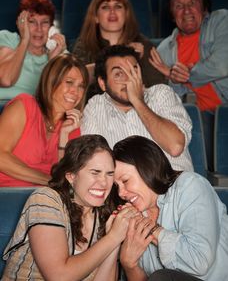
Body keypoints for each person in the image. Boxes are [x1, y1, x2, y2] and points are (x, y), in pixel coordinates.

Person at [2, 135, 138, 280]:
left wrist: (115, 239)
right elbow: (59, 276)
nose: (104, 183)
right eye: (95, 173)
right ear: (71, 176)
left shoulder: (103, 215)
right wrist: (112, 237)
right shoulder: (45, 199)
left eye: (109, 174)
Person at [113, 135, 228, 281]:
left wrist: (153, 230)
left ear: (147, 167)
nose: (120, 193)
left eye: (125, 181)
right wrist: (130, 265)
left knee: (161, 277)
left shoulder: (190, 185)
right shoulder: (135, 215)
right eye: (116, 186)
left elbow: (200, 261)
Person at [149, 0, 228, 171]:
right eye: (179, 6)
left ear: (204, 7)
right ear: (172, 14)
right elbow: (169, 97)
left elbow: (222, 65)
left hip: (224, 108)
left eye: (192, 3)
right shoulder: (164, 50)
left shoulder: (221, 20)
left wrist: (187, 75)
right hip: (192, 118)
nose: (186, 10)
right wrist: (175, 80)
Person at [81, 45, 193, 172]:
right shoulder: (96, 107)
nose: (128, 79)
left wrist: (138, 101)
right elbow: (92, 163)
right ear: (102, 83)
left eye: (133, 71)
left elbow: (175, 146)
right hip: (123, 189)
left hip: (175, 187)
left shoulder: (161, 94)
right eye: (118, 74)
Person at [0, 53, 89, 187]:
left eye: (81, 86)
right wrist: (48, 180)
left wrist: (64, 136)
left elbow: (64, 177)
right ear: (52, 81)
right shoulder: (24, 106)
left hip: (44, 199)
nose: (75, 91)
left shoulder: (72, 127)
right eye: (69, 82)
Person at [73, 0, 165, 87]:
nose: (112, 11)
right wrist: (118, 59)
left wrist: (139, 62)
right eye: (105, 7)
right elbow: (76, 79)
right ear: (96, 17)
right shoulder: (84, 45)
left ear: (126, 15)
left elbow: (159, 89)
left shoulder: (144, 45)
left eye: (118, 6)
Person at [0, 0, 66, 107]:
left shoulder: (58, 50)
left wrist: (52, 63)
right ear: (20, 23)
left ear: (52, 27)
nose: (39, 29)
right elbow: (6, 80)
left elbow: (54, 99)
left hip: (33, 112)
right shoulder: (7, 39)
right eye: (32, 22)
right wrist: (24, 40)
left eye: (45, 22)